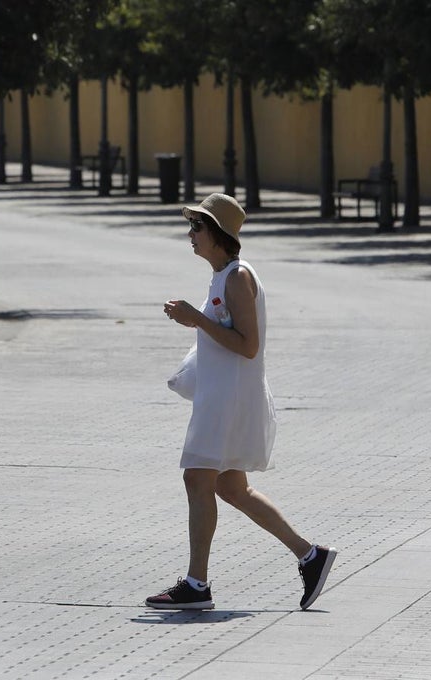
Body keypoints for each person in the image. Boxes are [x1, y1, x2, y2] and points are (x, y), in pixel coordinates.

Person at [147, 193, 336, 611]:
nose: (191, 234)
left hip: (229, 400)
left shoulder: (237, 278)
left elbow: (249, 346)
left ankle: (197, 585)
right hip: (223, 396)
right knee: (231, 487)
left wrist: (195, 319)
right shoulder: (223, 276)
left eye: (198, 226)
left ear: (218, 234)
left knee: (198, 479)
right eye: (192, 225)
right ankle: (311, 556)